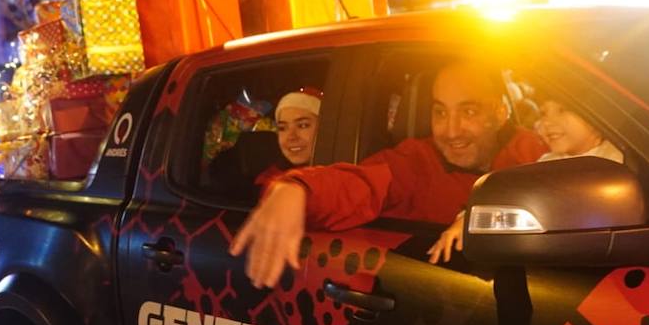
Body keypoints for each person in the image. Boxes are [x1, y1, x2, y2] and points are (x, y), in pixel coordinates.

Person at [230, 60, 545, 287]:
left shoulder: (533, 152)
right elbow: (358, 184)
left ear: (499, 113)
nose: (451, 131)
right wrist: (296, 190)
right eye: (439, 112)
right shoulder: (414, 160)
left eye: (469, 111)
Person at [428, 95, 623, 264]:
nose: (547, 123)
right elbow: (511, 195)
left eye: (563, 110)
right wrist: (468, 218)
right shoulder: (550, 160)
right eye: (544, 113)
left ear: (599, 114)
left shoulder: (616, 162)